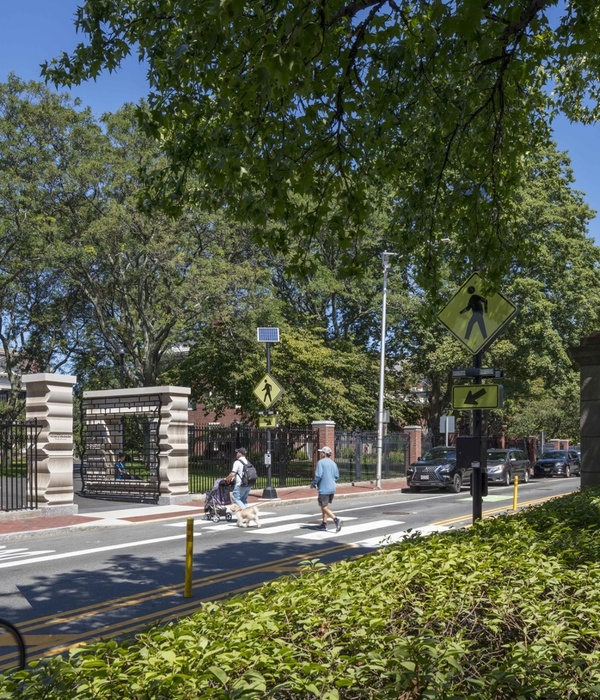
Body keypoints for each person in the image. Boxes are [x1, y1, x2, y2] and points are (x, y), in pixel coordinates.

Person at [311, 446, 342, 532]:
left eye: (322, 452)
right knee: (325, 506)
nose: (320, 454)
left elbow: (318, 475)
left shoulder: (321, 462)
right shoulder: (333, 463)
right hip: (332, 488)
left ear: (324, 454)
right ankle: (324, 524)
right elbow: (336, 476)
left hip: (324, 488)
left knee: (323, 507)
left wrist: (313, 483)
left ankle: (336, 519)